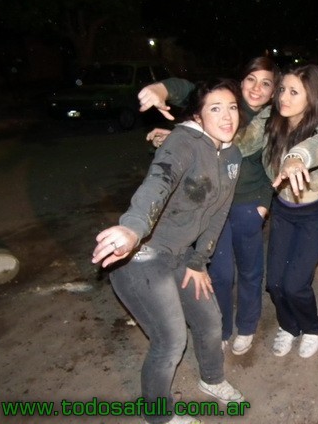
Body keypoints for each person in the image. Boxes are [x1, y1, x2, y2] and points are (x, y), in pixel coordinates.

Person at [91, 79, 244, 424]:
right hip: (141, 256)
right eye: (215, 109)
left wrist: (199, 262)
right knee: (171, 340)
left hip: (179, 254)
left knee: (210, 321)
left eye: (232, 107)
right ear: (198, 116)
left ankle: (212, 379)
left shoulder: (232, 155)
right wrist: (133, 228)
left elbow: (219, 213)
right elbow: (158, 182)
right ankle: (158, 416)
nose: (227, 116)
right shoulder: (183, 142)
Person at [138, 57, 280, 356]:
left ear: (273, 91)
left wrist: (263, 205)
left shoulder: (276, 120)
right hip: (214, 207)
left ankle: (247, 326)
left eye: (266, 83)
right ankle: (223, 326)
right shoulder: (228, 105)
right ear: (241, 82)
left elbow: (274, 167)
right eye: (251, 79)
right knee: (221, 274)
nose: (257, 88)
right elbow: (192, 93)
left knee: (251, 271)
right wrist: (161, 89)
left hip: (248, 205)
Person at [237, 64, 318, 358]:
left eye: (294, 92)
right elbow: (241, 144)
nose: (283, 97)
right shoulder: (270, 119)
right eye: (282, 89)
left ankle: (312, 327)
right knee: (275, 283)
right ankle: (289, 326)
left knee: (295, 285)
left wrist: (295, 157)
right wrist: (199, 136)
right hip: (282, 211)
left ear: (312, 96)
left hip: (315, 215)